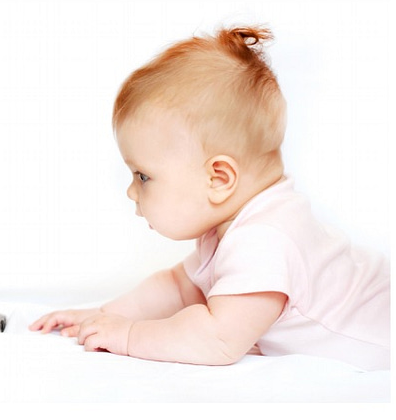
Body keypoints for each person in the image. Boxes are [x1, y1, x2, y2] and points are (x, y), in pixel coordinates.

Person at [29, 26, 390, 370]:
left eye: (143, 176)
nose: (131, 191)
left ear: (219, 178)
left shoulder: (264, 239)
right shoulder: (239, 223)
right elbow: (178, 287)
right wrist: (106, 315)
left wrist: (129, 335)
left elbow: (217, 340)